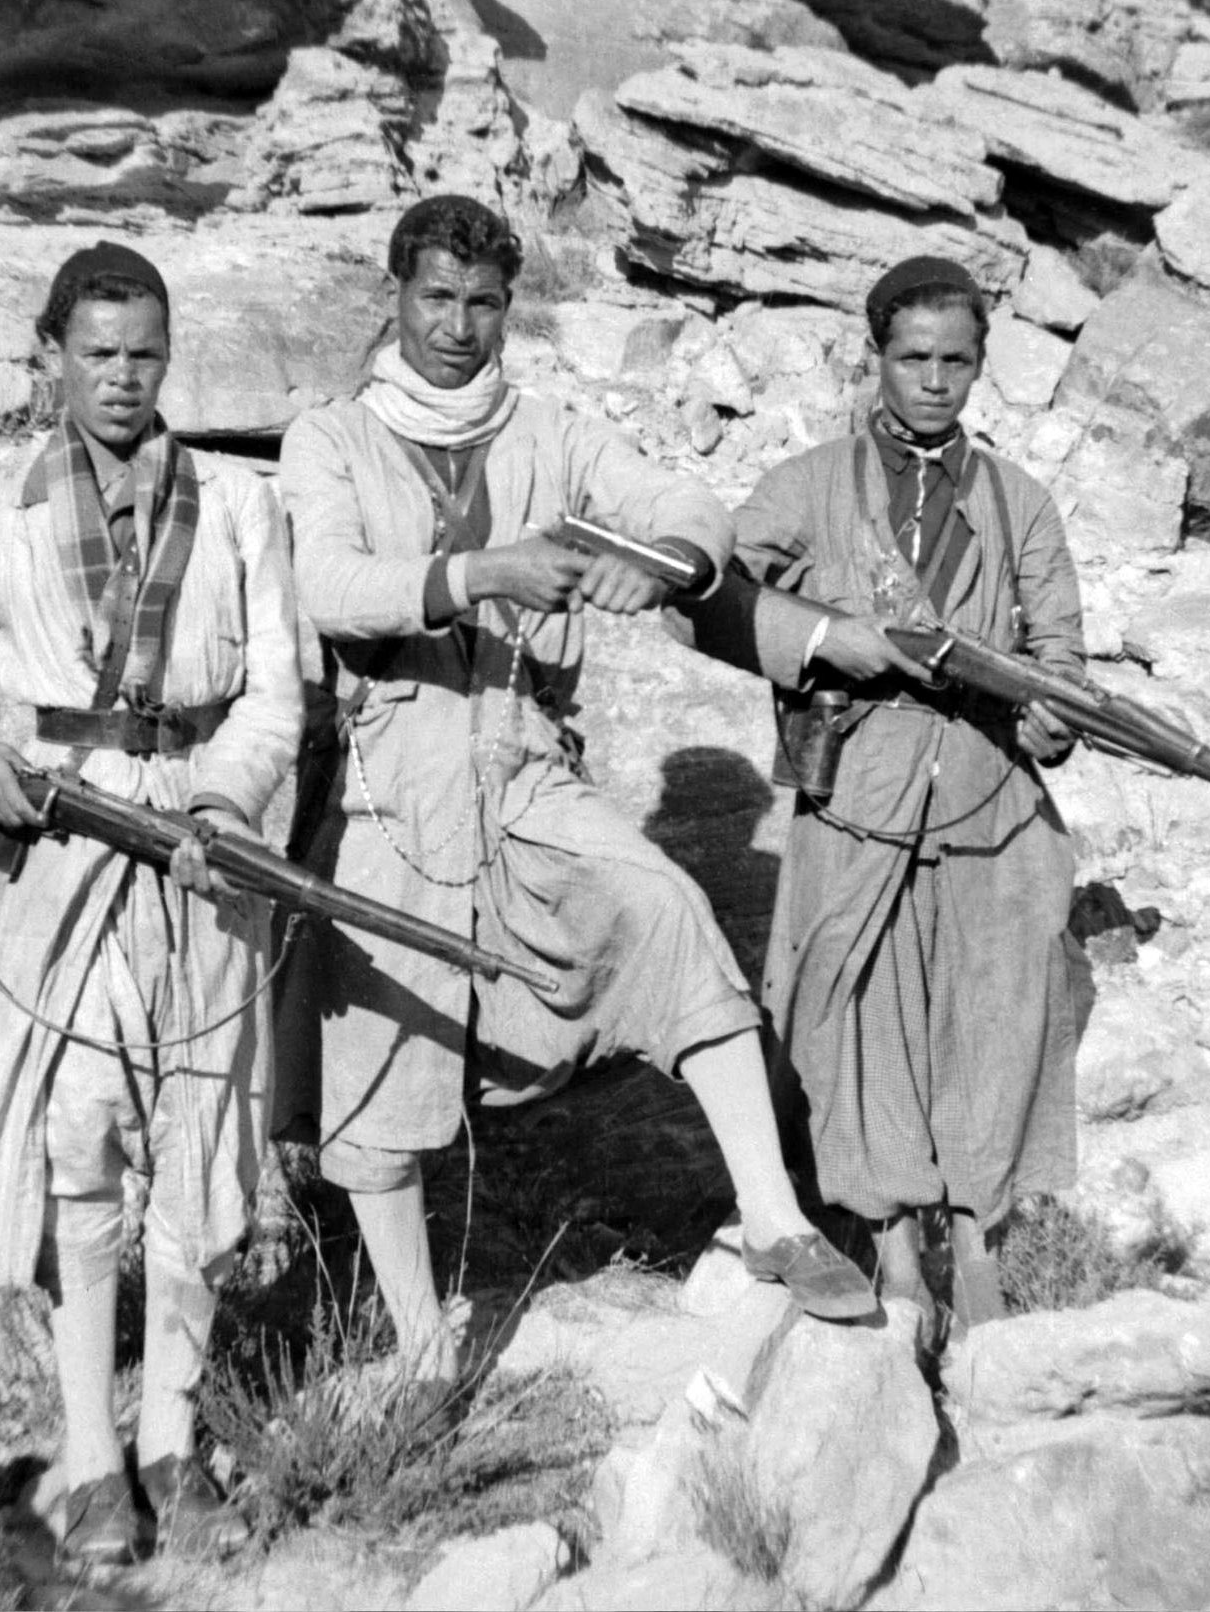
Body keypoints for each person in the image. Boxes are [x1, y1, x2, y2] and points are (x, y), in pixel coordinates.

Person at [276, 194, 877, 1390]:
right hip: (387, 780)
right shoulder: (328, 436)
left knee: (663, 911)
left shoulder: (546, 430)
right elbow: (330, 583)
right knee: (378, 1047)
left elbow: (684, 508)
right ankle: (417, 1332)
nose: (457, 325)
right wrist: (478, 569)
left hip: (521, 760)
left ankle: (770, 1218)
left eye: (483, 301)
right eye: (435, 297)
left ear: (510, 308)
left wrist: (654, 562)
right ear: (394, 296)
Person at [0, 243, 302, 1563]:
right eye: (94, 352)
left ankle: (173, 1430)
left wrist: (221, 799)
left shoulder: (237, 505)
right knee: (82, 1139)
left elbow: (276, 687)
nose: (118, 376)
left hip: (210, 840)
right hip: (65, 835)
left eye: (142, 354)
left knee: (204, 1137)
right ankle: (93, 1455)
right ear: (51, 355)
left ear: (168, 357)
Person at [676, 254, 1085, 1334]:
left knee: (995, 1016)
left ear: (980, 365)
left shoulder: (1018, 503)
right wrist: (823, 637)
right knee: (852, 1014)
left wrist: (1053, 719)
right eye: (913, 358)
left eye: (956, 359)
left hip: (988, 805)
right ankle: (894, 1243)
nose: (935, 381)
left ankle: (973, 1239)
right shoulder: (809, 485)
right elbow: (703, 598)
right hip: (855, 794)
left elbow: (1061, 663)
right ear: (876, 359)